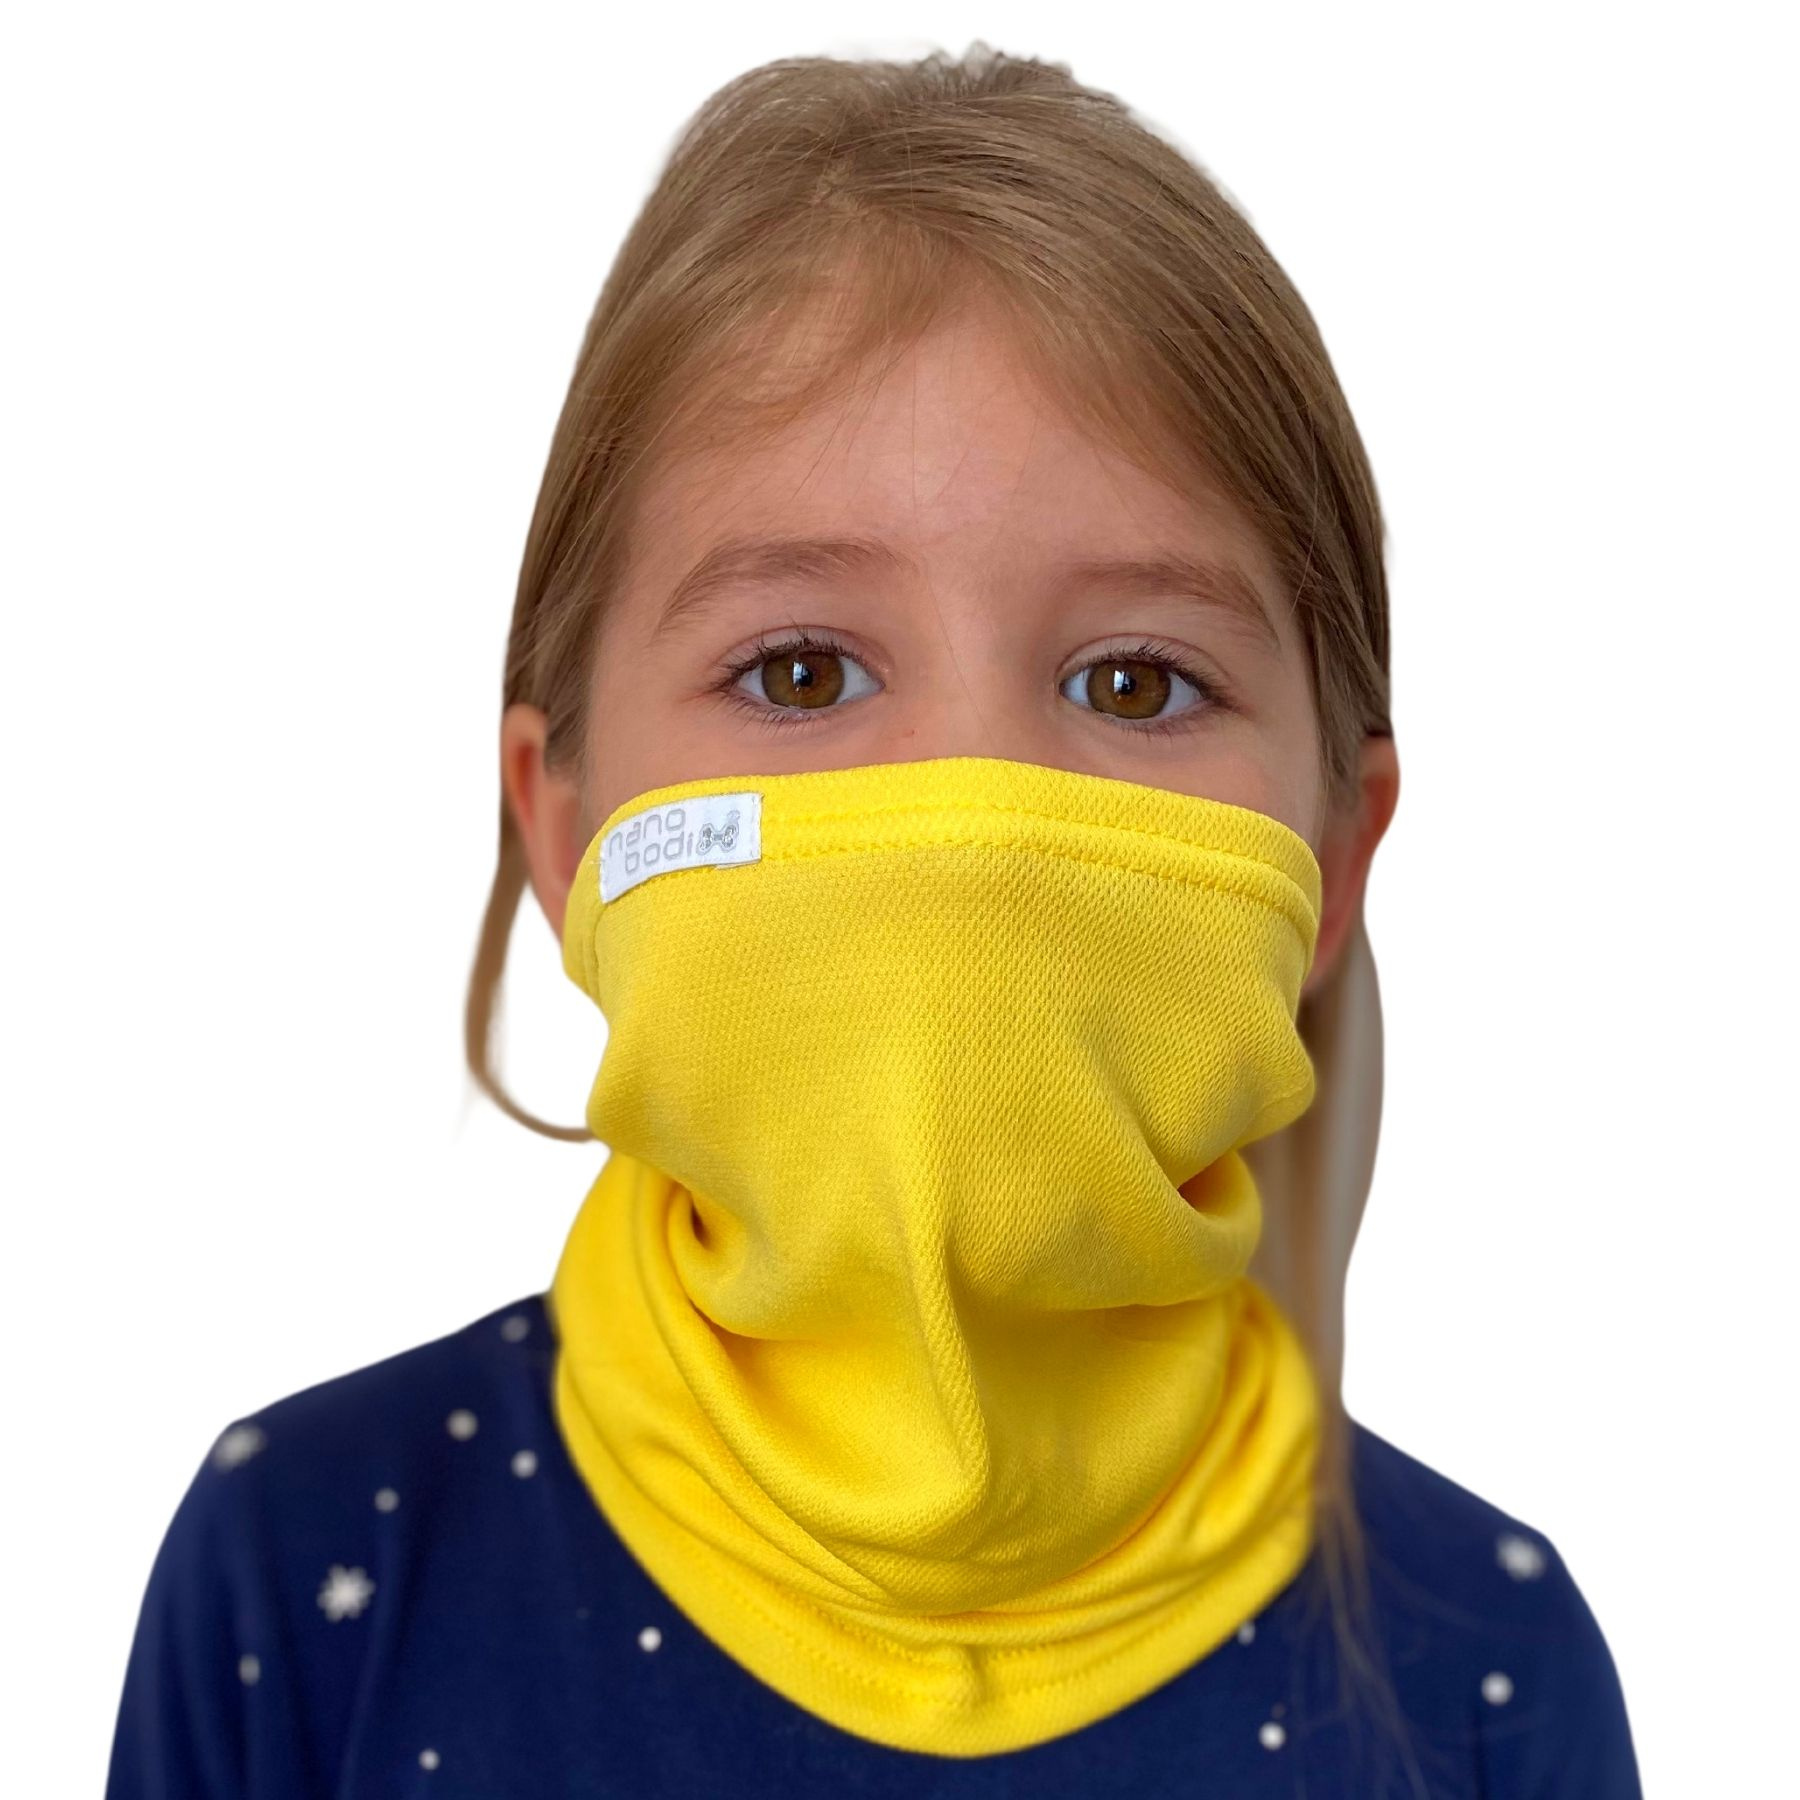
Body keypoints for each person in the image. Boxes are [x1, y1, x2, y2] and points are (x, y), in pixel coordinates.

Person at [105, 42, 1642, 1798]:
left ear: (1333, 858)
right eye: (802, 671)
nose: (973, 808)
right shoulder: (308, 1571)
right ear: (566, 823)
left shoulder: (1487, 1667)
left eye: (1135, 681)